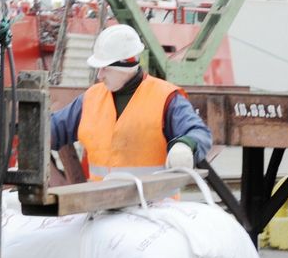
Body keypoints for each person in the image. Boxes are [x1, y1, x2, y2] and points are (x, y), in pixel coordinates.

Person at [50, 24, 212, 179]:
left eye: (105, 68)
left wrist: (185, 146)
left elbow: (199, 133)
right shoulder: (90, 99)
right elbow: (52, 129)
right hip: (101, 204)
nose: (99, 75)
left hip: (153, 205)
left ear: (125, 66)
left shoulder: (166, 98)